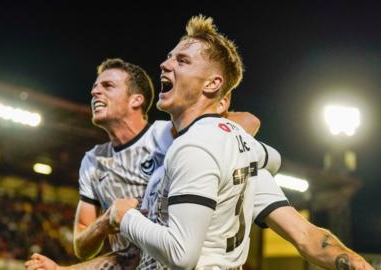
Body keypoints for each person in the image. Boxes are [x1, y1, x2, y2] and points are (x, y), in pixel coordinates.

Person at [110, 15, 373, 270]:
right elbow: (306, 237)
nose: (165, 65)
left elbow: (181, 256)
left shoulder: (195, 148)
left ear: (213, 84)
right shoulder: (240, 154)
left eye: (182, 60)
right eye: (169, 57)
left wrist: (125, 217)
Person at [24, 58, 279, 270]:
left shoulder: (165, 134)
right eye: (95, 86)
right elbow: (82, 245)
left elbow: (248, 120)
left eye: (107, 86)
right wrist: (108, 220)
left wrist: (212, 141)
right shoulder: (92, 162)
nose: (94, 92)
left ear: (136, 100)